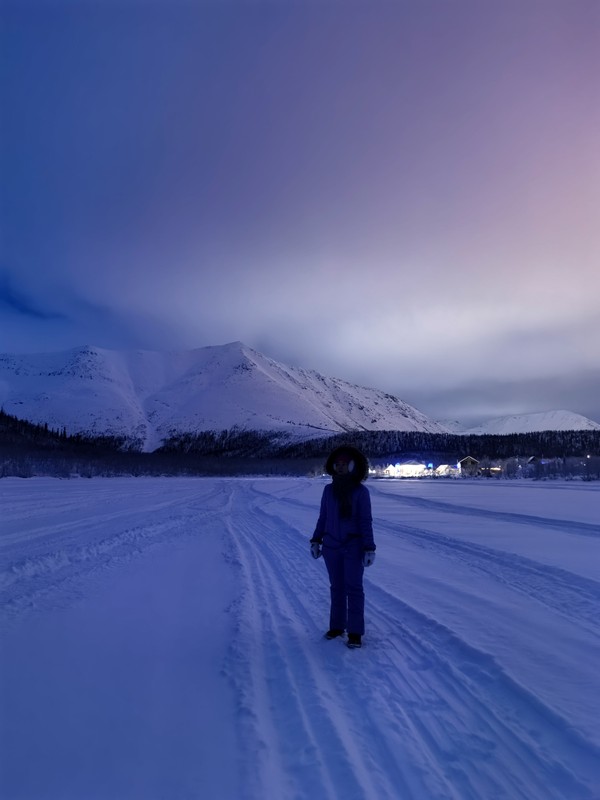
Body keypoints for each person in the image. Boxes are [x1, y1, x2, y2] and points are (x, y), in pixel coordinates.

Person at [310, 445, 376, 649]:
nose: (340, 467)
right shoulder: (328, 490)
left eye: (344, 464)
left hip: (352, 546)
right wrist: (316, 539)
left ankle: (355, 632)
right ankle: (337, 626)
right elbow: (323, 517)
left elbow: (365, 521)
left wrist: (369, 547)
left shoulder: (361, 492)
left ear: (353, 466)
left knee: (354, 588)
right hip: (331, 546)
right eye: (337, 464)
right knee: (336, 587)